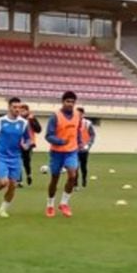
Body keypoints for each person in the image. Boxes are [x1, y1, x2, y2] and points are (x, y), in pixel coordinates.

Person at [0, 97, 31, 217]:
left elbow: (28, 138)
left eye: (19, 107)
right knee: (4, 182)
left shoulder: (24, 123)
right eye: (14, 107)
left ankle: (3, 209)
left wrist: (26, 145)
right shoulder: (0, 121)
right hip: (2, 156)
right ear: (9, 107)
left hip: (16, 157)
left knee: (13, 185)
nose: (17, 109)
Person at [44, 90, 83, 218]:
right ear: (63, 102)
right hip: (56, 152)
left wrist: (80, 142)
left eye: (72, 102)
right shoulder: (55, 116)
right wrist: (60, 141)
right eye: (68, 101)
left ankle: (64, 203)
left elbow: (77, 131)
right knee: (54, 179)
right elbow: (48, 135)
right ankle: (50, 205)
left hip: (71, 151)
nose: (70, 104)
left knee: (72, 175)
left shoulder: (77, 115)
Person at [17, 103, 42, 186]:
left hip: (29, 142)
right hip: (18, 142)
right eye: (20, 111)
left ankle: (28, 175)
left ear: (27, 111)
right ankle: (19, 180)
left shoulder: (31, 118)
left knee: (26, 161)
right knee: (18, 161)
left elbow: (38, 130)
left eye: (23, 111)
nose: (21, 112)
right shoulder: (17, 119)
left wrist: (32, 121)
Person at [76, 107, 96, 189]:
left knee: (83, 166)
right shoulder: (72, 122)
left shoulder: (87, 123)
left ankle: (84, 179)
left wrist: (88, 145)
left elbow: (92, 135)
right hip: (74, 148)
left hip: (84, 148)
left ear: (82, 114)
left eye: (79, 113)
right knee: (74, 166)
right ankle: (75, 184)